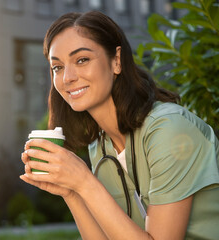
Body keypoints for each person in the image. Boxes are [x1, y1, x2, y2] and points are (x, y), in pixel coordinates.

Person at [20, 11, 219, 239]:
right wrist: (72, 192)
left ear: (116, 61)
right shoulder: (100, 147)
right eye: (58, 67)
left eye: (82, 60)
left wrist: (85, 182)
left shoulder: (169, 129)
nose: (67, 78)